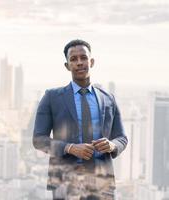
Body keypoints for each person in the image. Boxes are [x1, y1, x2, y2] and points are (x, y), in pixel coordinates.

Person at [33, 39, 128, 200]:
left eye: (83, 58)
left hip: (102, 182)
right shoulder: (52, 97)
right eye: (73, 59)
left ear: (91, 62)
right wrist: (69, 148)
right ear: (67, 66)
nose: (79, 63)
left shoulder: (108, 99)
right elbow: (38, 140)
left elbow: (122, 138)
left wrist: (112, 145)